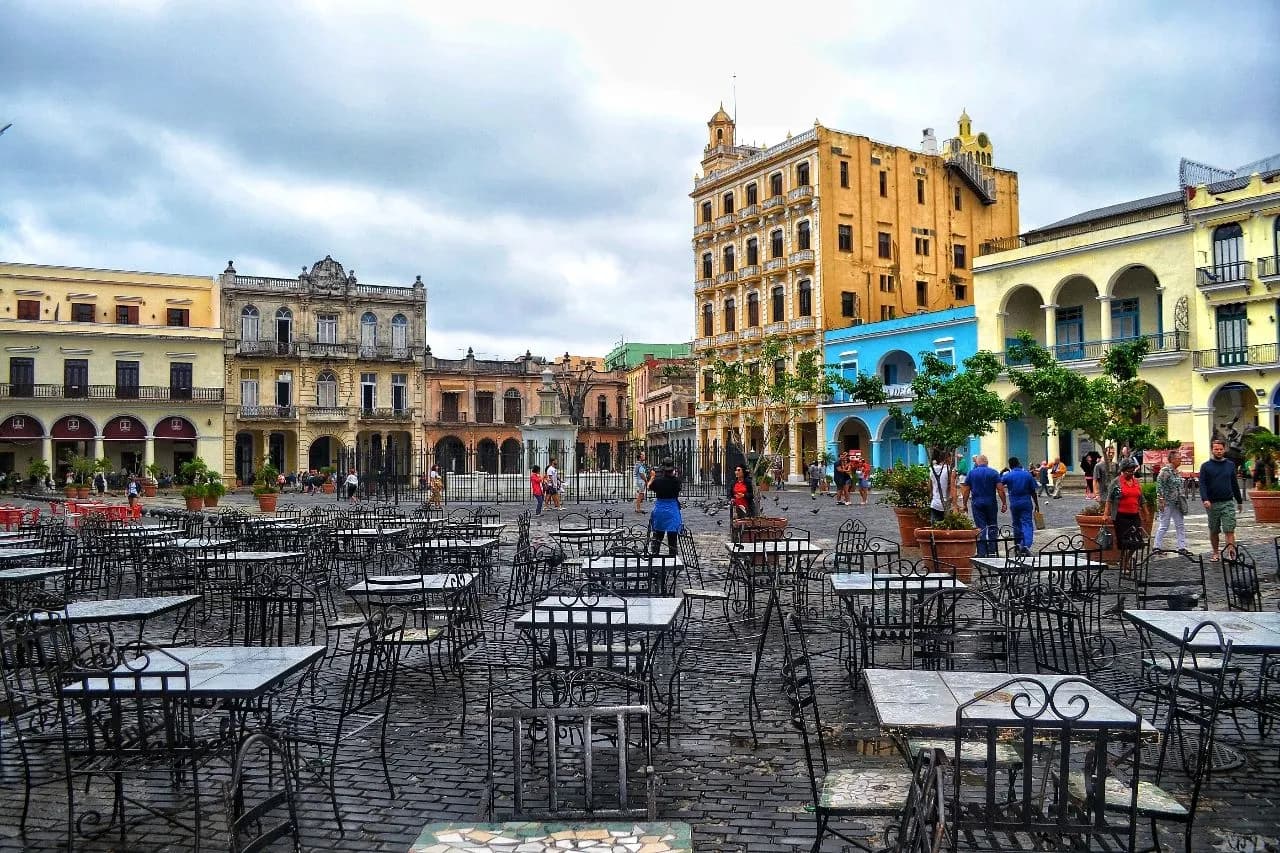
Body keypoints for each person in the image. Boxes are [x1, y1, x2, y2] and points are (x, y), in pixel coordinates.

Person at [1199, 438, 1243, 561]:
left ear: (1224, 449)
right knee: (1214, 530)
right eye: (1216, 449)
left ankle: (1231, 553)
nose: (1218, 451)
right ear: (1212, 450)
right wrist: (1205, 499)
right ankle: (1215, 552)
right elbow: (1202, 484)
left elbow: (1234, 483)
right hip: (1212, 503)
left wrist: (1239, 501)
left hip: (1228, 502)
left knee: (1229, 529)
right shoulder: (1206, 466)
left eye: (1220, 449)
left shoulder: (1230, 465)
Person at [963, 455, 1006, 557]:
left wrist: (964, 504)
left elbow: (966, 490)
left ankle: (982, 552)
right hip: (991, 502)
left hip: (977, 502)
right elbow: (1000, 489)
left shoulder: (971, 473)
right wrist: (1004, 503)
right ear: (987, 462)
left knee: (980, 527)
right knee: (992, 525)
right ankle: (992, 550)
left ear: (977, 463)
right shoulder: (994, 472)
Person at [1103, 458, 1148, 552]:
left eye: (1132, 472)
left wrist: (1146, 512)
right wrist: (1106, 514)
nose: (1131, 474)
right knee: (1124, 542)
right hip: (1121, 517)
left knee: (1136, 541)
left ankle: (1127, 560)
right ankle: (1124, 562)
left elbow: (1141, 498)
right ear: (1122, 471)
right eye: (1129, 472)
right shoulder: (1116, 483)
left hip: (1134, 515)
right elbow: (1109, 499)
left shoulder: (1136, 482)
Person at [1153, 449, 1189, 556]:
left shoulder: (1176, 472)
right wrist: (1161, 499)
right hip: (1167, 502)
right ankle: (1156, 546)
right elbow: (1160, 485)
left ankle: (1181, 547)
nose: (1180, 460)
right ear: (1172, 460)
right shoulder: (1166, 471)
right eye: (1178, 459)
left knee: (1180, 524)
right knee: (1164, 524)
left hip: (1177, 502)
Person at [1000, 457, 1039, 555]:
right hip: (1026, 502)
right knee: (1027, 524)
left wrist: (1002, 472)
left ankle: (1017, 545)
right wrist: (1036, 504)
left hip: (1014, 503)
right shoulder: (1027, 475)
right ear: (1018, 463)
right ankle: (1025, 545)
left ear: (1010, 465)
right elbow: (1033, 491)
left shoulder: (1009, 475)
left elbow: (999, 483)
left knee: (1016, 524)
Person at [647, 457, 682, 556]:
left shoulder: (658, 481)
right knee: (672, 540)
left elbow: (649, 487)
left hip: (660, 510)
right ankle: (673, 561)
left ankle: (655, 560)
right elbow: (677, 488)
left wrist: (653, 477)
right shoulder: (677, 481)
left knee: (657, 538)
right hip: (672, 510)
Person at [927, 450, 955, 523]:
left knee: (935, 528)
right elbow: (952, 487)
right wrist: (955, 504)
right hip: (946, 503)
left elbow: (930, 486)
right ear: (947, 458)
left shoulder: (932, 470)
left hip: (935, 502)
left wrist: (931, 495)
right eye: (951, 457)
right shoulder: (950, 470)